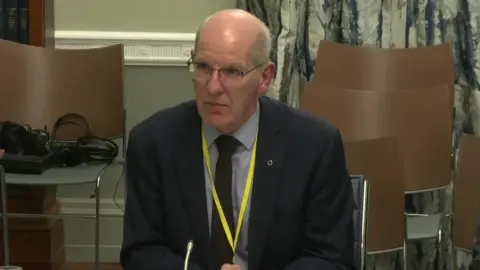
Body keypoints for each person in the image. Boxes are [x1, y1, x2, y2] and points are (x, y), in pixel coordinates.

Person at [120, 9, 354, 270]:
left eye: (232, 72)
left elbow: (331, 258)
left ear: (264, 78)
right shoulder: (153, 143)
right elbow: (140, 252)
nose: (213, 87)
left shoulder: (314, 145)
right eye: (204, 67)